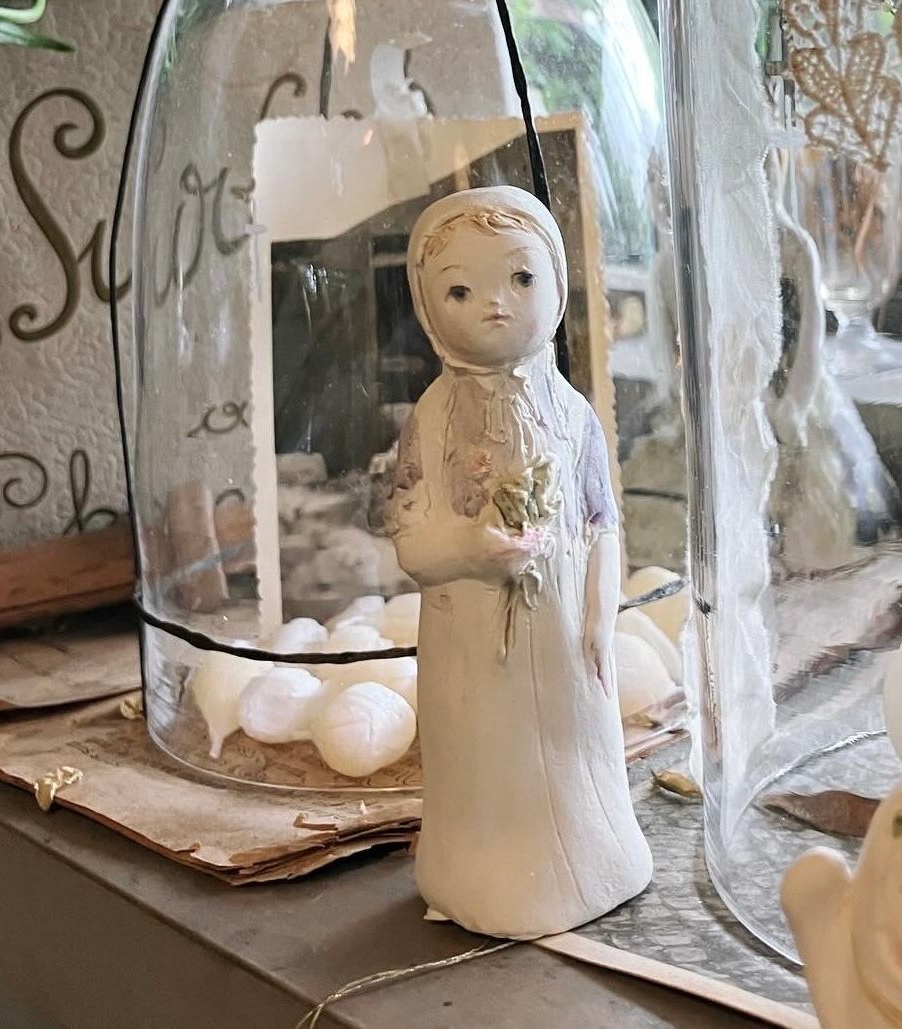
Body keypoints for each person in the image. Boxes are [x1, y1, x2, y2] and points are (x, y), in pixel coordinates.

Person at [389, 185, 652, 939]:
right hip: (474, 640)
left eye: (521, 278)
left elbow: (602, 522)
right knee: (488, 759)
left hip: (565, 632)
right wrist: (468, 550)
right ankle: (480, 876)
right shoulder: (431, 419)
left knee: (574, 754)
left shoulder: (571, 413)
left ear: (556, 285)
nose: (495, 305)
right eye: (461, 291)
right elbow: (410, 540)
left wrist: (600, 617)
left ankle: (598, 857)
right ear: (427, 306)